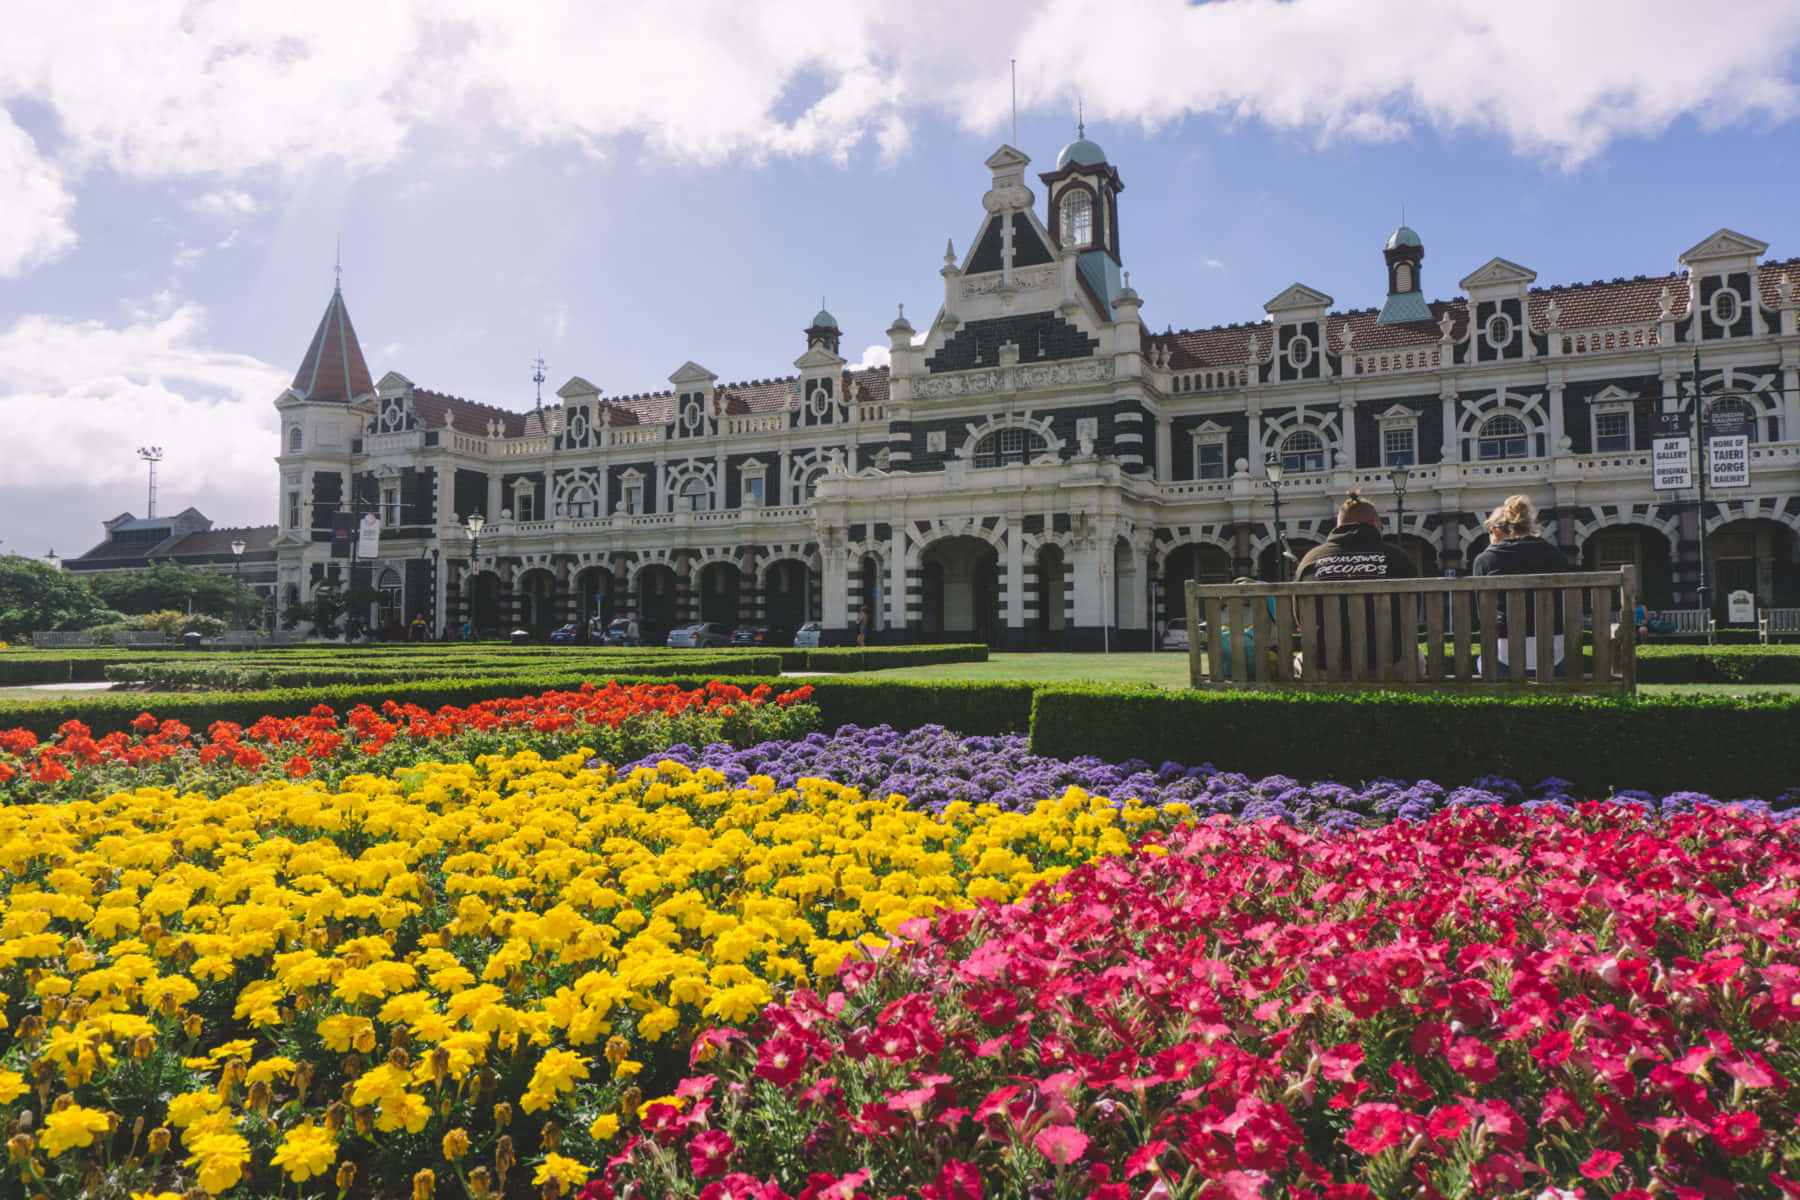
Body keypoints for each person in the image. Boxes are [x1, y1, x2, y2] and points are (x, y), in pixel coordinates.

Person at [1294, 490, 1418, 671]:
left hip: (1324, 664)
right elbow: (1411, 615)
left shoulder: (1311, 559)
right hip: (1388, 662)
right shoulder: (1398, 558)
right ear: (1376, 523)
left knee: (1300, 659)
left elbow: (1300, 620)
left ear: (1338, 525)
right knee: (1416, 657)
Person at [1471, 494, 1571, 676]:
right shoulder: (1557, 556)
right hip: (1554, 658)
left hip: (1503, 659)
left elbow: (1482, 615)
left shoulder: (1485, 560)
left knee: (1482, 660)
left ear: (1499, 530)